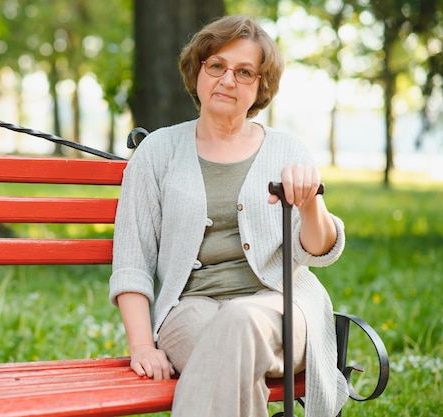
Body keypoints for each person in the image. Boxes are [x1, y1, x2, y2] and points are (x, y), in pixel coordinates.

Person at [109, 14, 349, 417]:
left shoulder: (287, 150)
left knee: (240, 320)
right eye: (216, 66)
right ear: (197, 71)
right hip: (188, 309)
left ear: (260, 86)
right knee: (230, 356)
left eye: (244, 72)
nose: (227, 80)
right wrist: (142, 346)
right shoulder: (157, 153)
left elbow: (319, 250)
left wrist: (311, 202)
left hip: (282, 306)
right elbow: (132, 261)